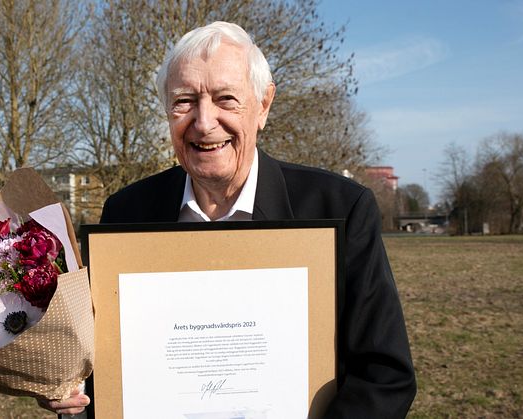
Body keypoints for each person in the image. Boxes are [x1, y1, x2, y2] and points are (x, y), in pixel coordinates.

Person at [42, 21, 416, 418]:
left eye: (225, 99)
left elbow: (384, 376)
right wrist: (71, 391)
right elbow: (107, 371)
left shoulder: (338, 210)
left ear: (263, 106)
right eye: (184, 100)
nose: (204, 122)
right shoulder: (125, 213)